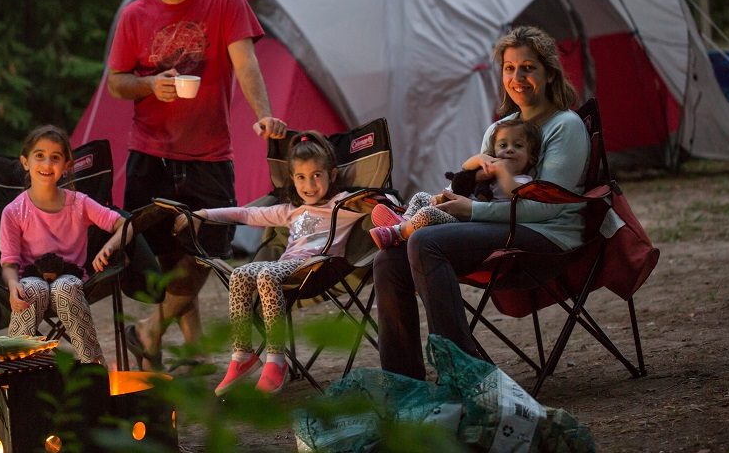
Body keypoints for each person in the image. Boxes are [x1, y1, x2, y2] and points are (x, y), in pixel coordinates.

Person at [106, 0, 287, 369]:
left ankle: (150, 330)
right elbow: (116, 83)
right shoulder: (134, 16)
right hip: (151, 153)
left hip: (209, 153)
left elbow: (246, 64)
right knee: (167, 257)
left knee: (209, 250)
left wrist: (263, 113)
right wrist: (150, 84)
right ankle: (192, 350)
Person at [373, 25, 590, 380]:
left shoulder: (565, 126)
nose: (517, 77)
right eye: (509, 68)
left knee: (426, 242)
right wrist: (455, 199)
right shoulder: (500, 130)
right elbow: (480, 188)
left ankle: (464, 373)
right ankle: (403, 383)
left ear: (549, 73)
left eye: (528, 68)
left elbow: (547, 207)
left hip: (549, 235)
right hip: (498, 227)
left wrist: (469, 210)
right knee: (388, 258)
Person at [173, 131, 364, 395]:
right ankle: (243, 356)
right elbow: (245, 213)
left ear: (331, 175)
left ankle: (276, 359)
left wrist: (387, 205)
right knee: (240, 274)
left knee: (266, 275)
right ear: (293, 179)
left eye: (316, 175)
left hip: (319, 268)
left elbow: (382, 201)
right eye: (301, 177)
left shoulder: (341, 204)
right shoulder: (290, 211)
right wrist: (203, 214)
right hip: (286, 270)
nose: (309, 184)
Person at [0, 125, 129, 365]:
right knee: (31, 289)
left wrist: (109, 248)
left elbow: (126, 225)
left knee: (65, 287)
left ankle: (92, 366)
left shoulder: (79, 204)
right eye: (39, 156)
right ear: (25, 162)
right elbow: (9, 262)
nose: (47, 165)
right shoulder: (14, 211)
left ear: (67, 166)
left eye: (55, 158)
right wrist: (12, 283)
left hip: (71, 279)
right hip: (31, 279)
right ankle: (15, 371)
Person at [368, 119, 541, 249]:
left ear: (531, 157)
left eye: (518, 146)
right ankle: (402, 222)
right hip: (455, 210)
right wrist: (481, 158)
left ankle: (398, 233)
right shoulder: (487, 173)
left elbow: (513, 193)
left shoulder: (522, 180)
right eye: (503, 145)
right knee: (421, 197)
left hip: (471, 224)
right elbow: (465, 168)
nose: (509, 149)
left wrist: (502, 170)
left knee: (428, 214)